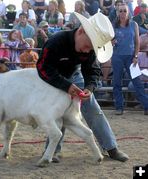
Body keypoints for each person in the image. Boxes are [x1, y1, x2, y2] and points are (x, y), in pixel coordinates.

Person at [36, 12, 129, 163]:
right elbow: (42, 67)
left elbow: (93, 71)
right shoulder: (56, 42)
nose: (88, 50)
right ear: (81, 32)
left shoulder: (89, 49)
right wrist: (65, 86)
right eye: (87, 46)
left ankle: (111, 147)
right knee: (59, 111)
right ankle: (53, 151)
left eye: (92, 48)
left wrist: (90, 87)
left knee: (91, 105)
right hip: (53, 80)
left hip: (74, 75)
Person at [111, 3, 148, 115]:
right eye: (120, 11)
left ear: (128, 12)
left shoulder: (134, 25)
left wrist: (136, 56)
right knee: (116, 82)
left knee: (137, 82)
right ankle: (119, 107)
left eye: (124, 11)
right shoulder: (113, 25)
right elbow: (108, 41)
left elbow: (137, 42)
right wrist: (111, 42)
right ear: (117, 12)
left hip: (131, 57)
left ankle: (146, 106)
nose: (122, 13)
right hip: (117, 57)